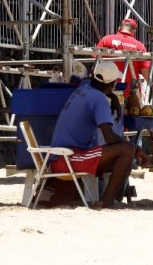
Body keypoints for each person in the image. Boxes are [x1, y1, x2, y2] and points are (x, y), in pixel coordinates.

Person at [49, 59, 137, 208]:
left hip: (59, 155)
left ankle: (109, 199)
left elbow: (87, 80)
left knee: (127, 152)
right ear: (112, 84)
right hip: (67, 158)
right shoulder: (99, 99)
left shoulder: (85, 87)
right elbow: (109, 137)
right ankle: (108, 202)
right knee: (128, 151)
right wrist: (135, 148)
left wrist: (112, 96)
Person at [96, 18, 148, 97]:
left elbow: (95, 61)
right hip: (132, 94)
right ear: (133, 32)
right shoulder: (139, 46)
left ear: (119, 28)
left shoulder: (106, 40)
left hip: (107, 91)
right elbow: (145, 72)